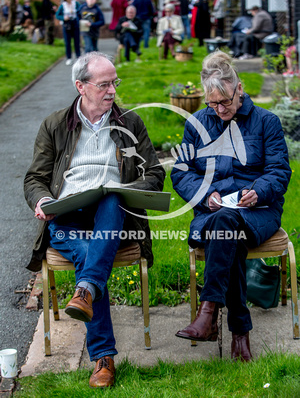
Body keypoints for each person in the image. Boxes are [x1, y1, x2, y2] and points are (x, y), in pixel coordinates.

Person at [24, 51, 165, 388]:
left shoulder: (130, 122)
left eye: (114, 83)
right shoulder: (55, 124)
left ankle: (99, 345)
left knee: (111, 196)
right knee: (89, 254)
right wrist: (44, 200)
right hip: (69, 217)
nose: (112, 90)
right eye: (104, 84)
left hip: (114, 216)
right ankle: (94, 316)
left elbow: (155, 174)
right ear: (81, 87)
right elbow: (34, 179)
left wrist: (126, 188)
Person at [171, 51, 291, 361]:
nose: (220, 109)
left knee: (226, 226)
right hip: (214, 212)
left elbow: (279, 172)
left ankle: (208, 311)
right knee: (227, 228)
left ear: (239, 88)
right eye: (213, 104)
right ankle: (240, 331)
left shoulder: (266, 121)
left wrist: (258, 191)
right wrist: (205, 193)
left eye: (225, 102)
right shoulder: (197, 123)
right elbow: (182, 173)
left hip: (258, 211)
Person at [56, 0, 81, 65]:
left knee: (77, 41)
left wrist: (78, 19)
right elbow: (57, 15)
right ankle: (69, 58)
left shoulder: (76, 4)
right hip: (67, 25)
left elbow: (80, 13)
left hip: (75, 24)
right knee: (67, 42)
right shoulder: (63, 6)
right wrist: (63, 18)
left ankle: (78, 57)